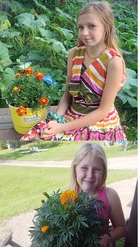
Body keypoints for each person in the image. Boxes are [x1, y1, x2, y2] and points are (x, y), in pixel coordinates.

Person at [20, 1, 127, 142]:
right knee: (33, 139)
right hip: (71, 114)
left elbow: (103, 111)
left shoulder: (113, 62)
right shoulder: (74, 54)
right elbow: (67, 94)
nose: (84, 33)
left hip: (98, 122)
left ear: (106, 27)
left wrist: (61, 128)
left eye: (91, 26)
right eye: (81, 27)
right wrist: (56, 120)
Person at [20, 142, 126, 247]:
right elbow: (52, 230)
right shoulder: (66, 198)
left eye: (96, 169)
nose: (90, 175)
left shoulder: (110, 195)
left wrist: (106, 238)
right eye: (84, 168)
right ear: (75, 169)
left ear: (104, 171)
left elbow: (122, 228)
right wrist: (34, 246)